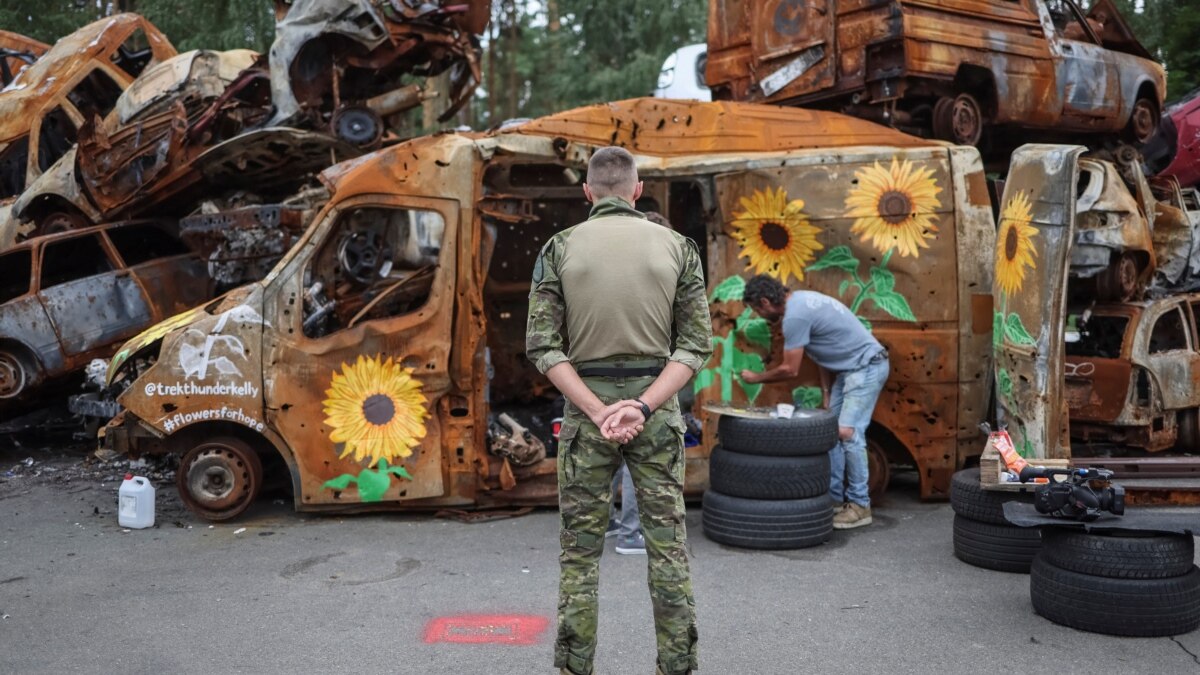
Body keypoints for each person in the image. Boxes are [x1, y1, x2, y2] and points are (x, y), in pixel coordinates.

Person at [527, 146, 711, 675]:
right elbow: (695, 346)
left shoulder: (560, 247)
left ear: (587, 193)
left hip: (588, 419)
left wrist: (597, 410)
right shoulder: (678, 247)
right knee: (668, 549)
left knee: (580, 557)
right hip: (655, 414)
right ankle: (677, 666)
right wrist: (644, 405)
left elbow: (543, 347)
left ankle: (573, 667)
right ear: (637, 190)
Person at [739, 274, 889, 530]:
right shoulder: (802, 301)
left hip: (866, 367)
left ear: (765, 302)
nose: (758, 315)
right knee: (830, 431)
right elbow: (820, 351)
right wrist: (827, 392)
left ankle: (860, 506)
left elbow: (790, 369)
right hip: (849, 371)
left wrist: (757, 378)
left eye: (756, 309)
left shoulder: (795, 316)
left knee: (848, 433)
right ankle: (833, 501)